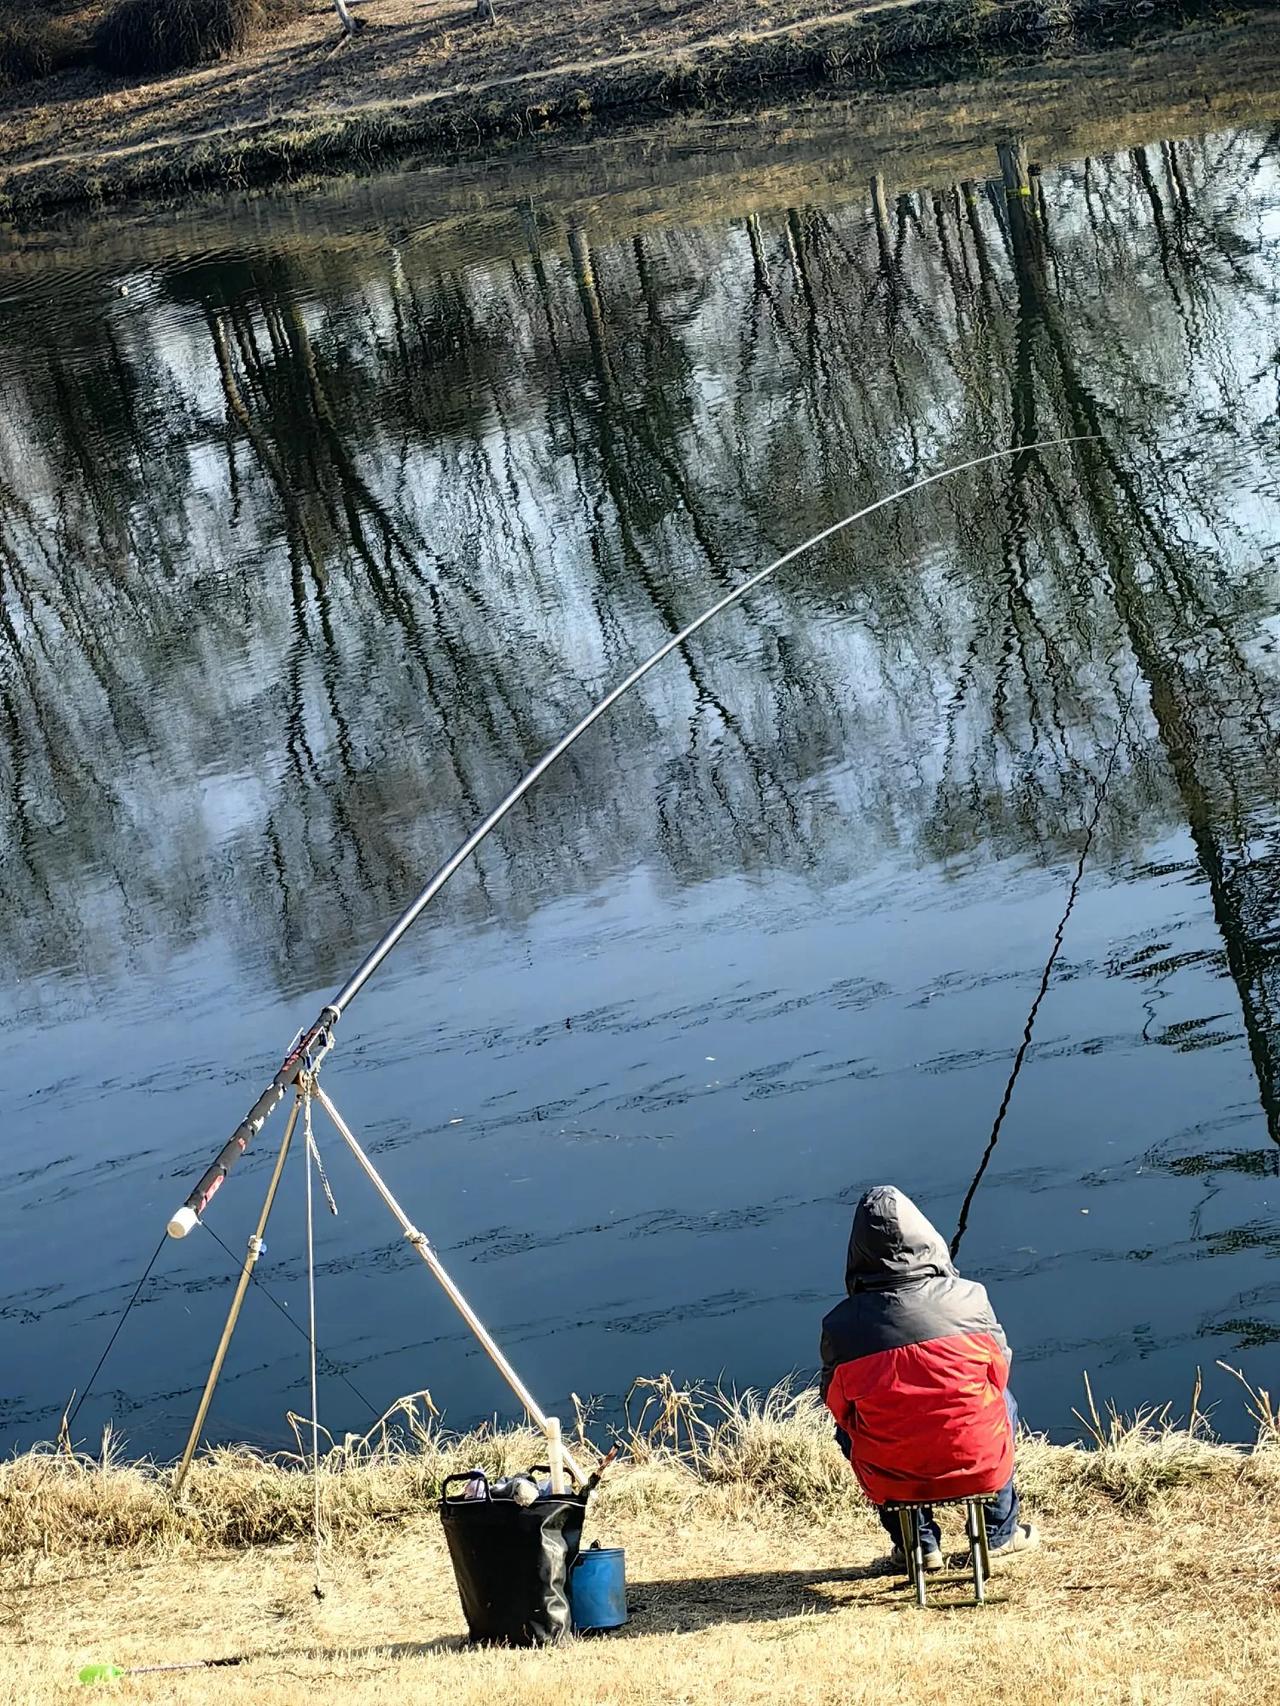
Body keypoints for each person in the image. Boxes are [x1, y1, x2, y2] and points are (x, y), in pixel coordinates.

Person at [819, 1184, 1038, 1571]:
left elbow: (837, 1404)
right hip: (979, 1460)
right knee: (1001, 1402)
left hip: (892, 1477)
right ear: (926, 1237)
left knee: (849, 1430)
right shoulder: (971, 1298)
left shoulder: (841, 1326)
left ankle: (917, 1546)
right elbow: (998, 1370)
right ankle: (999, 1534)